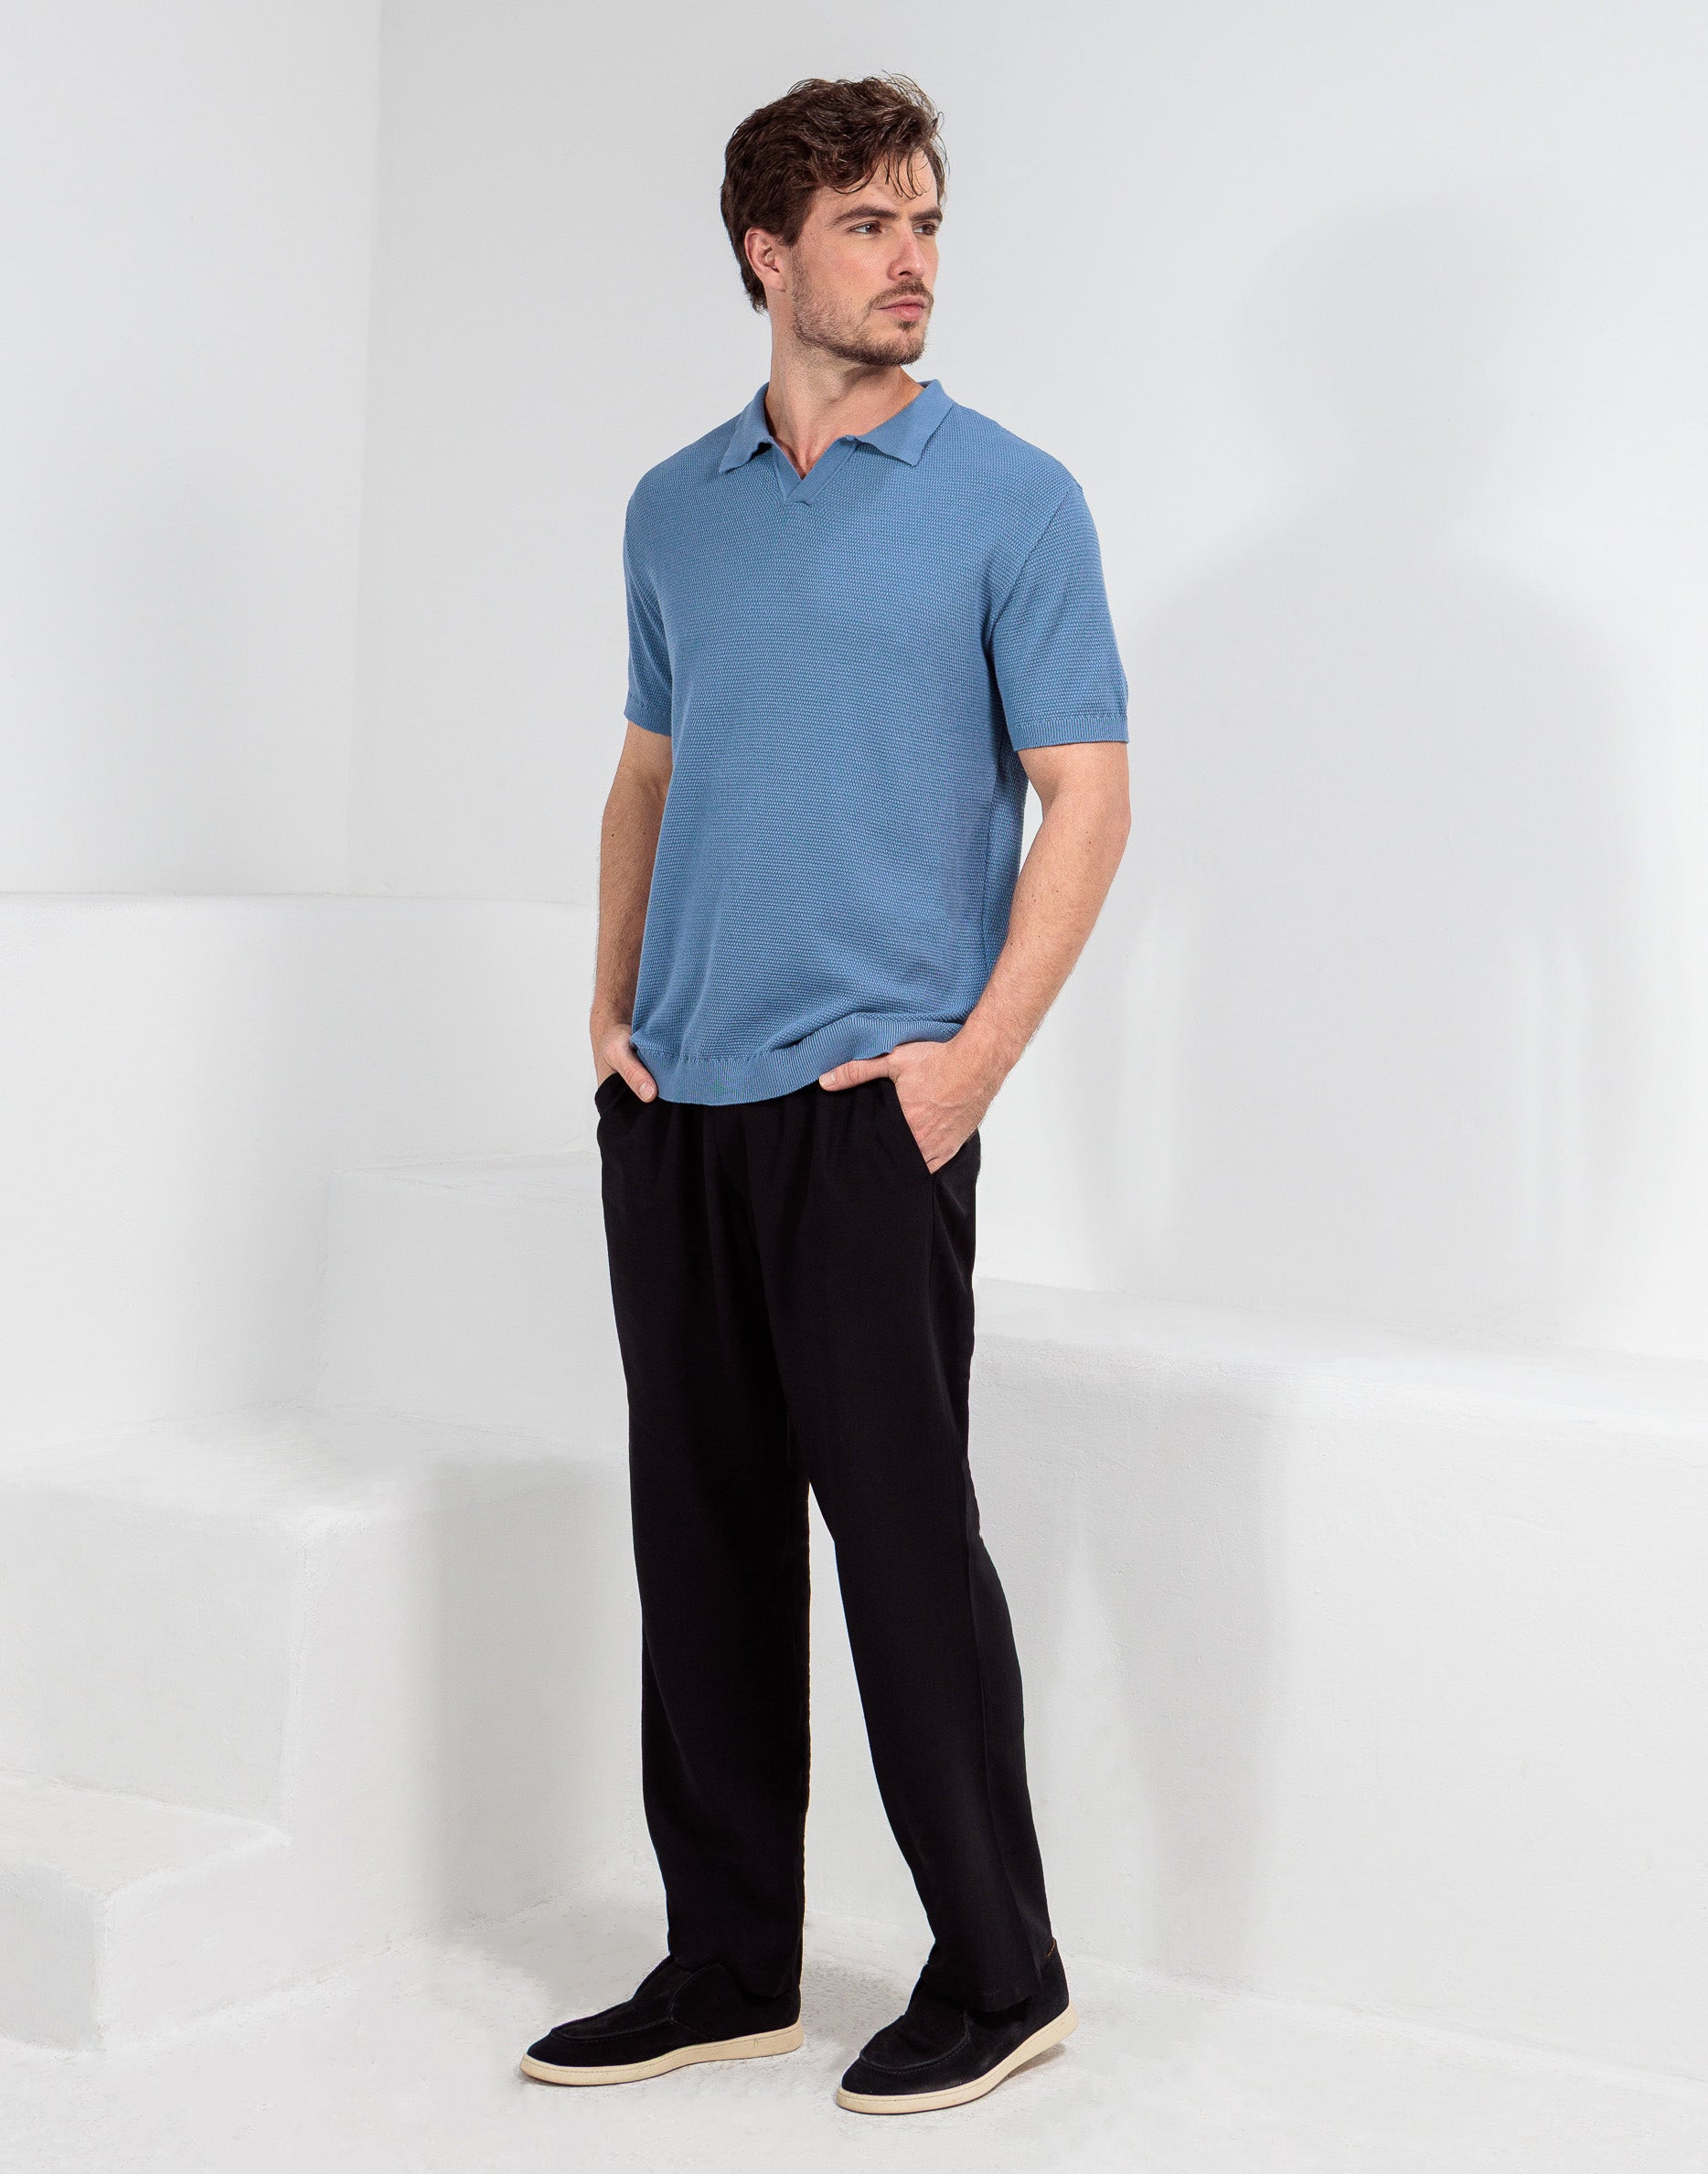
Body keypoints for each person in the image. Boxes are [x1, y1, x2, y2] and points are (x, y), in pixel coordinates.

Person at [520, 70, 1130, 2116]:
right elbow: (649, 768)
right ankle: (725, 1959)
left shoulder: (1011, 497)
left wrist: (968, 1071)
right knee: (697, 1539)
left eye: (928, 221)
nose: (914, 260)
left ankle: (1002, 1964)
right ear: (766, 252)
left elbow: (1088, 797)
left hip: (875, 1106)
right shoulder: (671, 506)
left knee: (901, 1545)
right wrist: (607, 1012)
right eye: (871, 223)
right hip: (675, 1104)